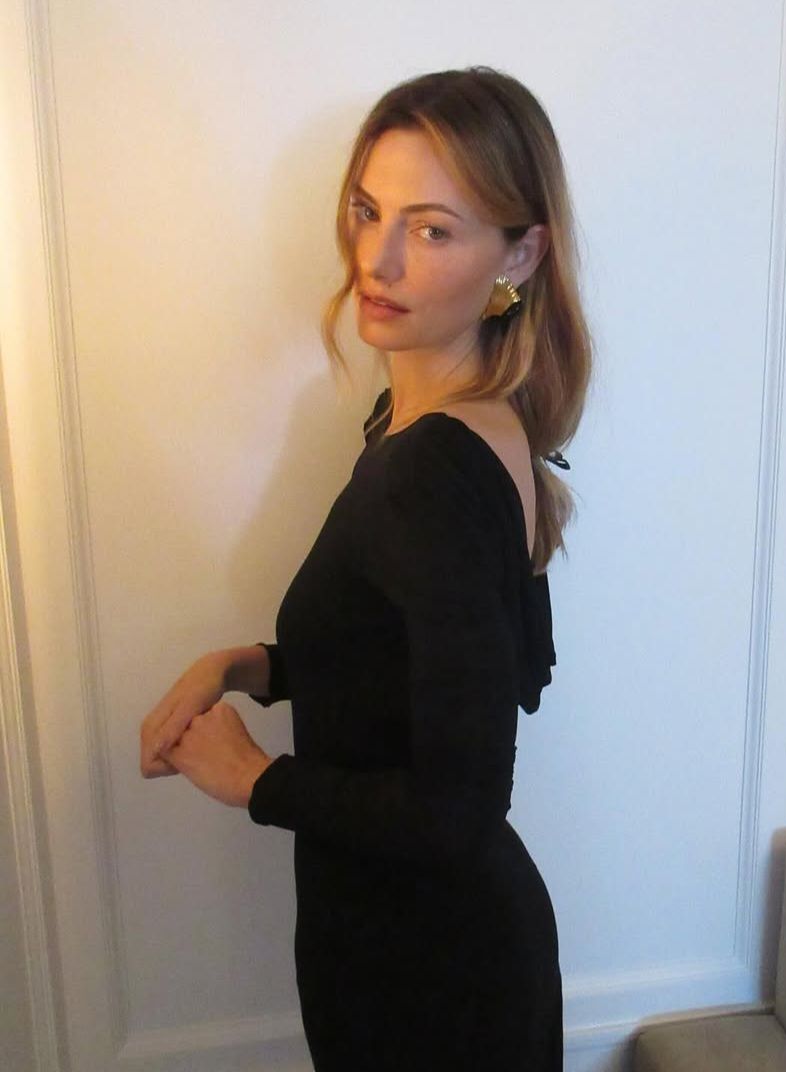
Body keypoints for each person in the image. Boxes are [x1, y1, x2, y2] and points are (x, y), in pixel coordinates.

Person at [139, 65, 592, 1071]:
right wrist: (246, 666)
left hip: (429, 975)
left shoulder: (430, 468)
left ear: (520, 254)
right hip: (412, 945)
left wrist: (257, 778)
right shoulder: (449, 424)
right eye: (368, 211)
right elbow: (409, 661)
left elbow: (457, 808)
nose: (377, 260)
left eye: (432, 230)